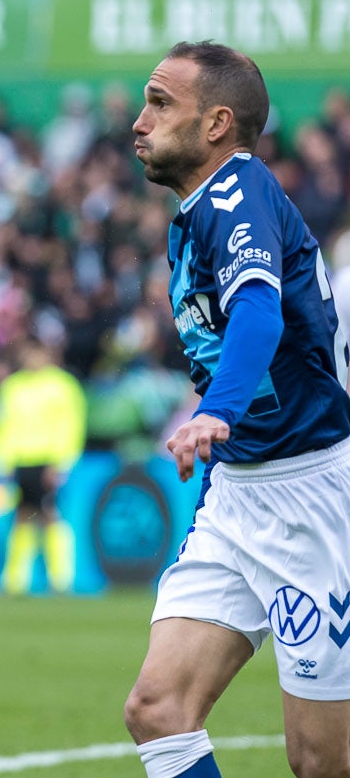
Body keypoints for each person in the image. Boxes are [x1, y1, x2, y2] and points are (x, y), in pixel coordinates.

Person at [123, 41, 350, 778]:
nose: (138, 120)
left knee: (320, 761)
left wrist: (214, 407)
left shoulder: (236, 194)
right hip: (236, 493)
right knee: (157, 708)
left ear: (217, 123)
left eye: (160, 103)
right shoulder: (194, 213)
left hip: (312, 499)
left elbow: (258, 310)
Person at [0, 336, 86, 595]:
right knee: (22, 516)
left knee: (51, 514)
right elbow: (2, 425)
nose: (33, 359)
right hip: (20, 461)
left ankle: (61, 579)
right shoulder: (13, 386)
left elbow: (71, 426)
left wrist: (63, 462)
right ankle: (15, 581)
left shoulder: (63, 385)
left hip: (48, 461)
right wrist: (1, 461)